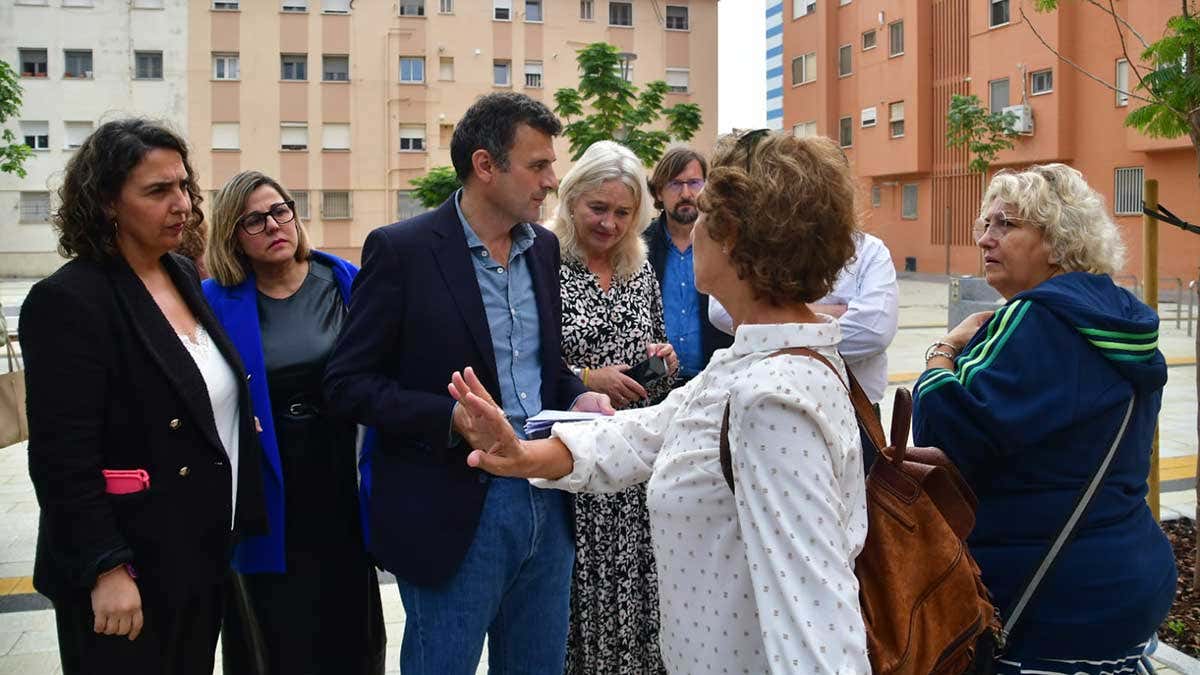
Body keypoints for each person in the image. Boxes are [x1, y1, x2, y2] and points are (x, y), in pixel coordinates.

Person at [450, 130, 870, 674]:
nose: (691, 225)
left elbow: (817, 626)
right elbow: (642, 433)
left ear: (734, 238)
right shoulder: (748, 362)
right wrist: (522, 454)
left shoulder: (773, 398)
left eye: (706, 212)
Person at [323, 92, 609, 674]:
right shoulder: (401, 251)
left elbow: (542, 368)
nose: (551, 181)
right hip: (452, 513)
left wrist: (580, 394)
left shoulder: (544, 249)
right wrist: (449, 418)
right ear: (485, 165)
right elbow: (347, 384)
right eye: (537, 165)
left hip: (546, 497)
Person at [20, 118, 265, 675]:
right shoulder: (68, 301)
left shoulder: (180, 271)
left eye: (183, 185)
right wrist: (105, 568)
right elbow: (61, 459)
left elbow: (191, 389)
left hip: (199, 550)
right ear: (107, 202)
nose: (182, 204)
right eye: (157, 191)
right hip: (128, 568)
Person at [911, 163, 1176, 672]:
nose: (985, 239)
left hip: (1047, 601)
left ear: (1058, 241)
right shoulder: (1122, 316)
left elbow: (946, 435)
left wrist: (944, 352)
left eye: (1006, 225)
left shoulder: (1034, 319)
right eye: (986, 224)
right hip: (1129, 581)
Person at [202, 170, 386, 674]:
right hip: (265, 485)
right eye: (254, 220)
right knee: (274, 633)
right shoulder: (214, 300)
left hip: (339, 478)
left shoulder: (343, 280)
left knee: (350, 627)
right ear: (232, 235)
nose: (273, 225)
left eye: (280, 210)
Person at [548, 140, 677, 674]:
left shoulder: (639, 268)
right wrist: (585, 378)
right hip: (572, 463)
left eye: (623, 212)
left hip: (634, 466)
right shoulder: (543, 262)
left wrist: (663, 360)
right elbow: (524, 362)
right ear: (571, 199)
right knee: (577, 604)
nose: (610, 223)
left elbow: (660, 347)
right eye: (597, 208)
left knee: (640, 599)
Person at [708, 232, 899, 465]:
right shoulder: (762, 241)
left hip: (858, 415)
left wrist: (773, 313)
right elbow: (720, 311)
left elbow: (874, 331)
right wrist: (835, 312)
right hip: (769, 408)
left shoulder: (870, 250)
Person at [644, 147, 734, 385]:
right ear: (659, 192)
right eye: (675, 184)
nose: (686, 193)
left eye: (694, 183)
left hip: (715, 379)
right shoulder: (641, 248)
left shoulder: (726, 245)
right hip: (656, 382)